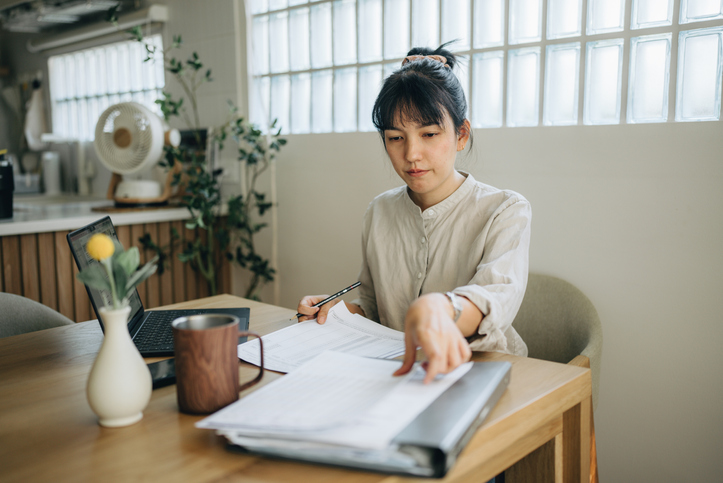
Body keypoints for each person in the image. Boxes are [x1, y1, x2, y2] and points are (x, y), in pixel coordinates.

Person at [297, 43, 532, 383]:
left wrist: (441, 308)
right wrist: (340, 312)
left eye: (429, 134)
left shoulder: (505, 210)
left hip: (484, 374)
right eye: (395, 137)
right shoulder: (378, 211)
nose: (412, 154)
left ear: (461, 134)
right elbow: (375, 308)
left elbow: (493, 300)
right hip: (400, 374)